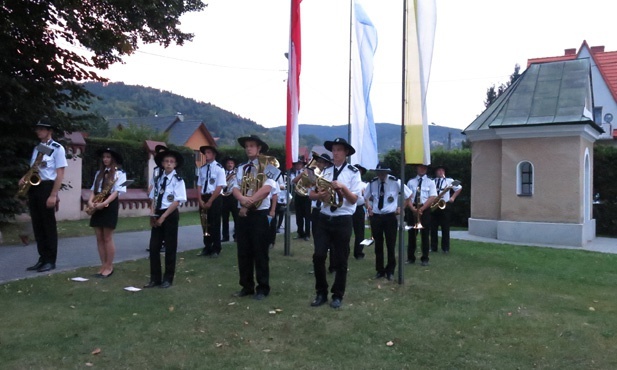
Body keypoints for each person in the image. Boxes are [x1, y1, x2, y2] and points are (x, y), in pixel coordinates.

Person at [309, 138, 361, 309]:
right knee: (318, 256)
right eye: (334, 150)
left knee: (341, 259)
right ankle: (321, 292)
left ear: (346, 153)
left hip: (343, 219)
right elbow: (311, 194)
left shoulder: (354, 173)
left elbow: (354, 200)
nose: (336, 153)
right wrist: (320, 196)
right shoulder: (326, 171)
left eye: (339, 150)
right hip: (324, 217)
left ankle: (337, 294)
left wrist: (342, 188)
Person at [231, 135, 277, 301]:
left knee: (260, 252)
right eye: (247, 146)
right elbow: (234, 187)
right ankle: (246, 286)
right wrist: (242, 200)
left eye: (252, 146)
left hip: (258, 214)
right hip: (243, 214)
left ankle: (263, 288)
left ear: (259, 149)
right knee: (243, 252)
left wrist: (247, 203)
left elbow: (267, 188)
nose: (248, 148)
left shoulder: (269, 166)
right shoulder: (241, 167)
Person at [21, 117, 68, 273]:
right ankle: (42, 258)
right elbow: (35, 168)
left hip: (47, 187)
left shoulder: (57, 148)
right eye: (38, 129)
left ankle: (50, 260)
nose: (38, 131)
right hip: (35, 186)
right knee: (38, 225)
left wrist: (53, 195)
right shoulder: (37, 148)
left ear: (49, 131)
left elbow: (60, 173)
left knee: (48, 226)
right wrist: (25, 177)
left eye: (42, 129)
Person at [144, 149, 187, 288]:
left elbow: (177, 201)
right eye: (166, 161)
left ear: (175, 164)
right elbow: (153, 197)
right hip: (157, 212)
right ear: (162, 163)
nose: (168, 164)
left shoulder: (178, 180)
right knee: (154, 247)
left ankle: (168, 278)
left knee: (170, 247)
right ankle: (154, 278)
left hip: (169, 214)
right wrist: (152, 214)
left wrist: (163, 217)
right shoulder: (157, 178)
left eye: (171, 162)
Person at [365, 163, 412, 281]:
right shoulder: (372, 183)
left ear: (387, 172)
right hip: (376, 216)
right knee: (378, 245)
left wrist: (402, 208)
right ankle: (379, 270)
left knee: (390, 245)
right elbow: (365, 196)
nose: (380, 175)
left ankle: (390, 270)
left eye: (383, 172)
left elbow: (409, 195)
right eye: (378, 172)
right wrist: (368, 207)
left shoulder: (395, 182)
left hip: (390, 217)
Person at [87, 147, 127, 278]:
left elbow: (116, 192)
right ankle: (103, 265)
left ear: (113, 159)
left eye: (108, 157)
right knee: (99, 236)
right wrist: (90, 202)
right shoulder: (99, 173)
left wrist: (104, 204)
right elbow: (93, 190)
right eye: (104, 157)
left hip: (109, 204)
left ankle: (109, 266)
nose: (105, 159)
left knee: (107, 237)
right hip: (97, 202)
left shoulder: (119, 174)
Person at [197, 145, 226, 257]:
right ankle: (207, 246)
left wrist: (210, 201)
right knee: (205, 224)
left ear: (214, 155)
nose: (206, 155)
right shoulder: (202, 168)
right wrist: (200, 199)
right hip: (204, 197)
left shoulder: (219, 168)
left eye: (209, 153)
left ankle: (216, 248)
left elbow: (219, 186)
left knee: (214, 223)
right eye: (205, 153)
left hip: (214, 197)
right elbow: (199, 184)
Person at [406, 164, 437, 266]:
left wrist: (422, 209)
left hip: (425, 209)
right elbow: (408, 197)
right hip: (413, 209)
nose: (422, 169)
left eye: (424, 167)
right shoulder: (411, 182)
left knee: (425, 235)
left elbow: (432, 197)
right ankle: (410, 258)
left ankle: (425, 258)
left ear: (427, 169)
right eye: (420, 167)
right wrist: (413, 209)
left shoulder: (430, 182)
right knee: (411, 235)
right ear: (417, 168)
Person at [430, 165, 462, 254]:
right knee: (433, 227)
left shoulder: (450, 181)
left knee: (445, 227)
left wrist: (453, 197)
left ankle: (445, 248)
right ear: (436, 172)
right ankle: (433, 247)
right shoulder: (432, 181)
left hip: (445, 205)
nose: (441, 172)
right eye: (439, 170)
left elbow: (459, 188)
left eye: (442, 170)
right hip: (434, 205)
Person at [146, 144, 167, 253]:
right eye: (158, 153)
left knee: (163, 221)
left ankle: (165, 243)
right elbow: (153, 181)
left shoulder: (167, 169)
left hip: (163, 198)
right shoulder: (156, 169)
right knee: (154, 218)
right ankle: (155, 243)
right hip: (154, 196)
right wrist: (149, 189)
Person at [291, 156, 311, 241]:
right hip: (298, 195)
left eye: (300, 164)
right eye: (296, 164)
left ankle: (307, 234)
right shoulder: (293, 173)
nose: (298, 165)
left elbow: (311, 182)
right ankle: (300, 233)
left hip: (306, 196)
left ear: (302, 165)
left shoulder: (307, 172)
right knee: (298, 216)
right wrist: (301, 174)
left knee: (307, 216)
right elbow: (293, 181)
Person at [352, 164, 368, 260]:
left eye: (359, 170)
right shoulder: (349, 183)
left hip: (358, 208)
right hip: (349, 207)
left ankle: (358, 252)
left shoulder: (364, 184)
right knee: (346, 231)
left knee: (360, 232)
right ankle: (345, 250)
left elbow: (367, 197)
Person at [221, 156, 239, 242]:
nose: (230, 164)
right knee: (225, 218)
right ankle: (225, 236)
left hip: (234, 197)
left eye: (231, 163)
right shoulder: (222, 173)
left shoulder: (237, 174)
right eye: (228, 163)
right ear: (225, 164)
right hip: (224, 198)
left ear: (234, 165)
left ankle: (237, 236)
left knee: (236, 217)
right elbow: (221, 184)